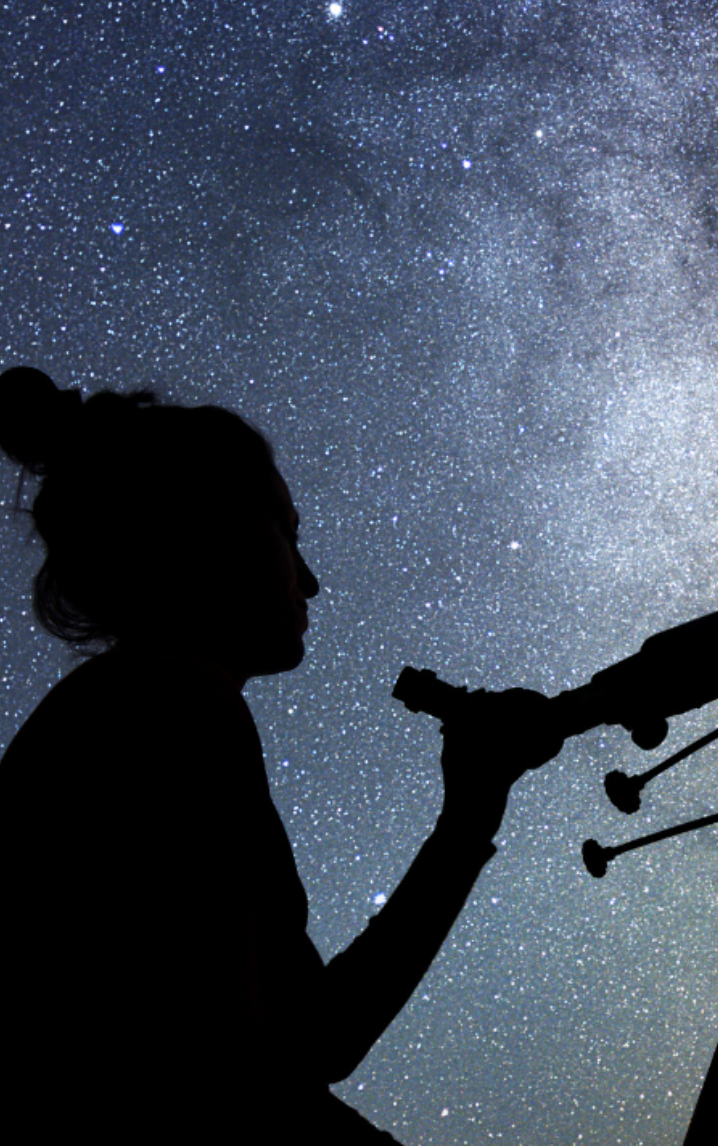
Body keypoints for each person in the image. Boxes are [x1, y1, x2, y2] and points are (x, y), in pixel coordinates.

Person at [0, 366, 563, 1143]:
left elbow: (315, 1038)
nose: (310, 579)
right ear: (204, 529)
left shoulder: (137, 703)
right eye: (287, 535)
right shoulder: (173, 704)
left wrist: (470, 811)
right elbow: (230, 1078)